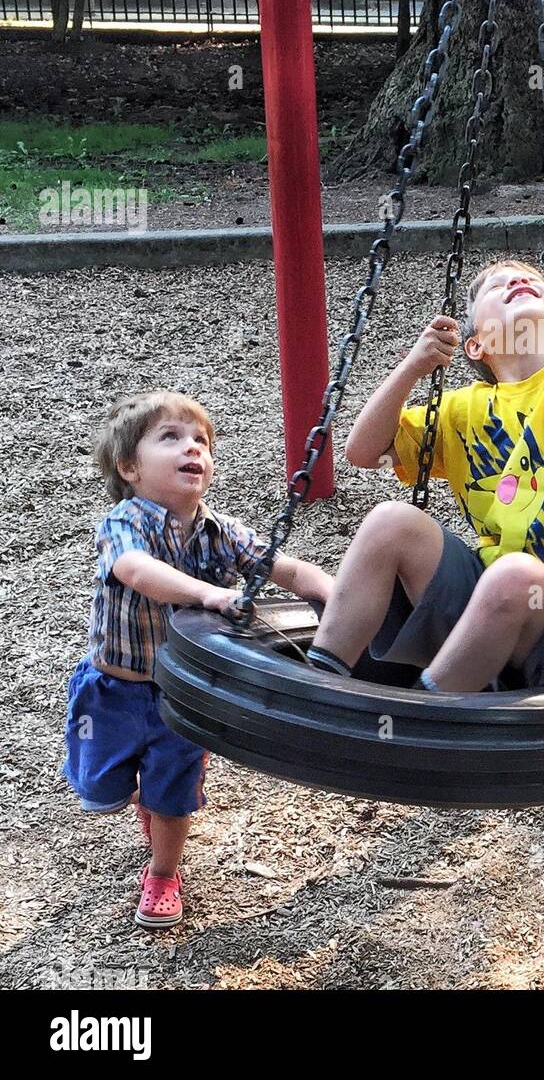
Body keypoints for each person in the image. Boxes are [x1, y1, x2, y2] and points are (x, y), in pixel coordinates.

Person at [308, 259, 544, 693]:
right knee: (390, 521)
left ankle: (429, 716)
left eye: (533, 280)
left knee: (516, 574)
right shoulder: (461, 409)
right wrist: (410, 369)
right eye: (497, 287)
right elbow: (362, 452)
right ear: (476, 346)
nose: (517, 281)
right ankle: (319, 684)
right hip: (480, 606)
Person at [63, 390, 334, 928]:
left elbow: (292, 570)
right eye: (171, 438)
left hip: (184, 696)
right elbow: (137, 571)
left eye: (201, 441)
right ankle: (138, 792)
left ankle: (164, 870)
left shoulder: (223, 532)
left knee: (174, 793)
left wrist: (342, 599)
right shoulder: (125, 523)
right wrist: (208, 594)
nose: (193, 449)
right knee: (100, 793)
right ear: (129, 468)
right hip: (113, 689)